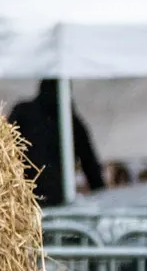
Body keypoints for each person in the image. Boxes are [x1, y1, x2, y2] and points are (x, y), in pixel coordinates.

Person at [6, 78, 104, 208]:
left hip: (29, 199)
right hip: (46, 199)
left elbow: (90, 166)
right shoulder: (70, 121)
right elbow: (91, 168)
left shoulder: (24, 112)